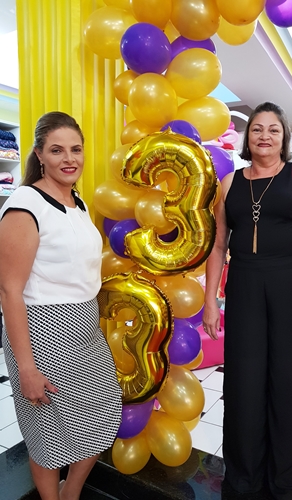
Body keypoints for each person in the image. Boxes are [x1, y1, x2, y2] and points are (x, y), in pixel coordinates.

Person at [203, 101, 292, 500]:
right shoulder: (230, 183)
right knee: (243, 387)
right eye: (257, 128)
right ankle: (244, 481)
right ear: (247, 136)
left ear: (285, 138)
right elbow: (219, 246)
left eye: (274, 129)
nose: (265, 136)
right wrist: (210, 301)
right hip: (245, 291)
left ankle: (287, 483)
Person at [0, 112, 122, 500]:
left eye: (76, 149)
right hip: (44, 333)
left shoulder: (78, 202)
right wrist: (25, 368)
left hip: (84, 328)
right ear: (39, 154)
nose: (69, 158)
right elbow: (8, 291)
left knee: (102, 416)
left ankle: (71, 493)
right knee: (49, 435)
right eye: (57, 150)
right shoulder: (24, 204)